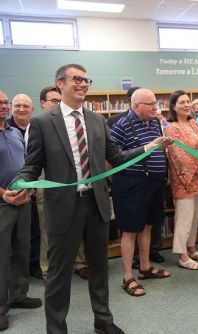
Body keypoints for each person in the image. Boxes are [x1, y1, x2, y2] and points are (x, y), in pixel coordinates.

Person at [3, 64, 167, 333]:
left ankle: (103, 321)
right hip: (62, 207)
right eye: (76, 79)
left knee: (99, 269)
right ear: (60, 83)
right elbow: (32, 165)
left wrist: (148, 147)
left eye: (86, 80)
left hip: (97, 205)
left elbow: (116, 157)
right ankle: (56, 329)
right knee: (58, 275)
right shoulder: (43, 123)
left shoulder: (96, 120)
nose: (82, 84)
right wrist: (20, 183)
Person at [110, 88, 170, 296]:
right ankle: (128, 277)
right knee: (130, 230)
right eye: (150, 104)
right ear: (136, 106)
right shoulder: (120, 126)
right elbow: (114, 157)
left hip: (154, 183)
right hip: (131, 185)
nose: (156, 107)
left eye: (156, 102)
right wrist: (148, 147)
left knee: (147, 226)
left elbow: (156, 147)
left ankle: (144, 267)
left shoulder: (154, 122)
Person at [34, 87, 89, 280]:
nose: (58, 104)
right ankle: (48, 269)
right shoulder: (39, 124)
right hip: (48, 187)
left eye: (60, 100)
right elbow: (32, 161)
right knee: (49, 230)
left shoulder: (71, 123)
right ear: (43, 103)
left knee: (79, 225)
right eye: (54, 101)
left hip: (76, 186)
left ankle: (80, 263)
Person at [0, 91, 42, 332]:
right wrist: (4, 194)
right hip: (2, 205)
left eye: (6, 102)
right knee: (1, 256)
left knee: (21, 250)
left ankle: (18, 295)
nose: (4, 106)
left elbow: (27, 165)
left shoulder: (15, 132)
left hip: (23, 201)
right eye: (1, 103)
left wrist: (29, 189)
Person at [165, 90, 198, 270]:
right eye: (182, 102)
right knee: (184, 217)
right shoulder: (172, 127)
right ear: (174, 107)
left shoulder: (194, 123)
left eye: (188, 102)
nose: (186, 105)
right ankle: (182, 255)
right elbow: (178, 155)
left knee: (194, 217)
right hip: (184, 180)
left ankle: (191, 248)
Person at [7, 94, 43, 280]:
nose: (21, 109)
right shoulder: (6, 129)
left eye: (25, 106)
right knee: (10, 237)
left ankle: (33, 264)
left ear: (32, 109)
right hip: (7, 193)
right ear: (12, 107)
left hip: (31, 189)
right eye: (17, 105)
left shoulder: (37, 126)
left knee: (33, 229)